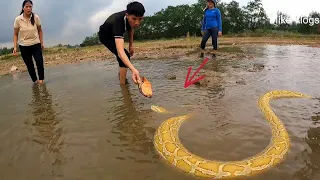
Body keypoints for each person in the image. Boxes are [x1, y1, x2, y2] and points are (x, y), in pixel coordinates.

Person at [98, 1, 145, 85]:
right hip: (105, 36)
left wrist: (131, 45)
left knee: (124, 57)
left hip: (114, 33)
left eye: (140, 19)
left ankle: (121, 76)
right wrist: (133, 69)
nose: (137, 23)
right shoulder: (118, 22)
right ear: (127, 16)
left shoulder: (130, 17)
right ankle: (123, 85)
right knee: (124, 55)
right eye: (134, 19)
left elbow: (131, 29)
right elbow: (120, 52)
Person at [12, 0, 45, 84]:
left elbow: (40, 30)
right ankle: (35, 81)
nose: (28, 8)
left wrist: (41, 43)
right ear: (23, 8)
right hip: (24, 46)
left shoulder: (36, 17)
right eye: (26, 6)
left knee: (39, 61)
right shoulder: (18, 19)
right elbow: (15, 34)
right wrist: (15, 47)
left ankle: (41, 81)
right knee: (29, 65)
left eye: (30, 6)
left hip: (36, 44)